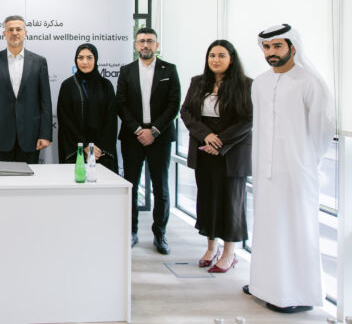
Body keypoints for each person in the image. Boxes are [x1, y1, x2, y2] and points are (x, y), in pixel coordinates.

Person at [244, 24, 335, 313]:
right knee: (268, 229)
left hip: (298, 171)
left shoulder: (309, 82)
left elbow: (322, 129)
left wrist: (305, 161)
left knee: (296, 231)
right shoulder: (260, 83)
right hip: (266, 172)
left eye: (277, 46)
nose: (271, 52)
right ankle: (264, 286)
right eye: (267, 47)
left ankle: (296, 294)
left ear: (292, 47)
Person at [180, 40, 252, 274]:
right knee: (208, 200)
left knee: (231, 202)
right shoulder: (198, 82)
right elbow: (186, 112)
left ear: (231, 58)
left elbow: (247, 120)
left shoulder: (245, 85)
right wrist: (207, 136)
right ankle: (211, 248)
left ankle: (230, 253)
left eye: (221, 55)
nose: (215, 60)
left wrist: (219, 142)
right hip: (204, 149)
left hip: (231, 152)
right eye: (212, 55)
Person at [116, 27, 180, 254]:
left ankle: (160, 234)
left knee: (161, 188)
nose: (145, 45)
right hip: (132, 137)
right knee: (131, 186)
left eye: (150, 41)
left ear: (157, 45)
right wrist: (137, 129)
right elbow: (121, 103)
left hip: (159, 136)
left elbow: (174, 104)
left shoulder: (169, 70)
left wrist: (153, 131)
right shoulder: (126, 71)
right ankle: (131, 231)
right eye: (142, 41)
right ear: (135, 45)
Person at [0, 15, 52, 164]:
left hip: (30, 136)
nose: (14, 33)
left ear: (25, 33)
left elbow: (45, 101)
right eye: (10, 29)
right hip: (0, 137)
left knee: (29, 178)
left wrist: (45, 134)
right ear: (4, 33)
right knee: (1, 177)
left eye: (18, 29)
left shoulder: (39, 62)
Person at [56, 43, 118, 173]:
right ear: (76, 60)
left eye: (89, 57)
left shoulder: (106, 85)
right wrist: (84, 146)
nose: (85, 62)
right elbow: (66, 120)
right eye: (80, 58)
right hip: (76, 149)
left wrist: (97, 149)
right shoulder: (68, 86)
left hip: (101, 151)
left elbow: (111, 119)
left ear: (95, 59)